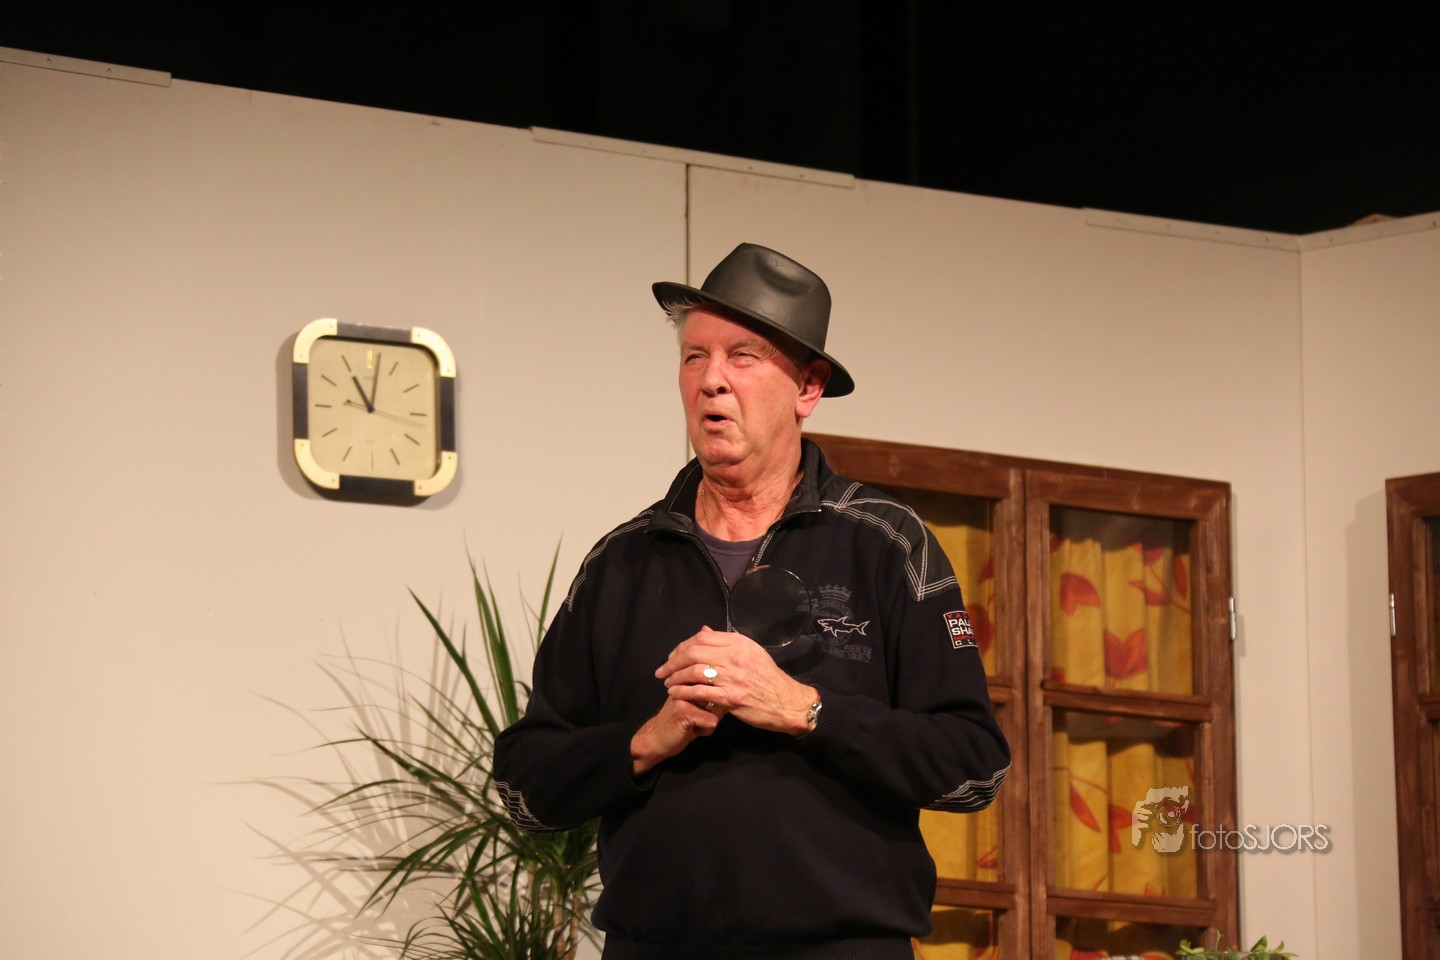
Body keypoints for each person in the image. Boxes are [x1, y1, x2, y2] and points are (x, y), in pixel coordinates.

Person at [493, 243, 1009, 959]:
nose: (712, 380)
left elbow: (973, 768)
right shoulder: (624, 563)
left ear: (808, 388)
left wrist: (807, 710)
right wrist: (648, 739)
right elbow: (524, 787)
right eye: (694, 357)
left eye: (743, 357)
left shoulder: (886, 544)